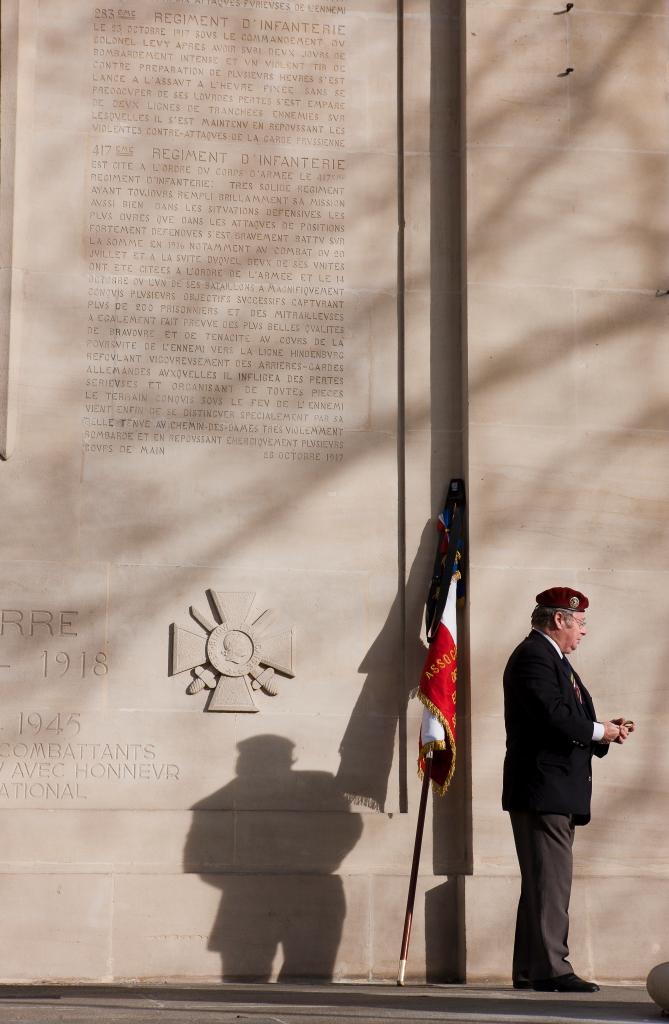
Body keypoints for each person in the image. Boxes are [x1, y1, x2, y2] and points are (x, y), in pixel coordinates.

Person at [502, 587, 634, 993]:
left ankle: (530, 968)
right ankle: (552, 970)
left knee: (543, 882)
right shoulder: (534, 657)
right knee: (551, 882)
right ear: (558, 620)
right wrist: (600, 731)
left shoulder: (553, 660)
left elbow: (568, 716)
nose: (584, 631)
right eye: (579, 623)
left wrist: (603, 731)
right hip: (544, 789)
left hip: (553, 789)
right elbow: (552, 716)